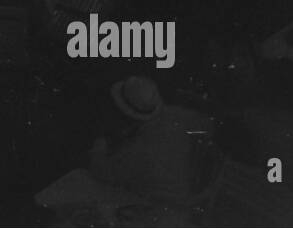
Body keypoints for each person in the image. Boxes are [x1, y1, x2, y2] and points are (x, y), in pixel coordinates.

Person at [88, 76, 216, 208]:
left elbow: (102, 173)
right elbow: (208, 126)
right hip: (184, 200)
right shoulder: (177, 115)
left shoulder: (137, 150)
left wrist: (99, 148)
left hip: (153, 210)